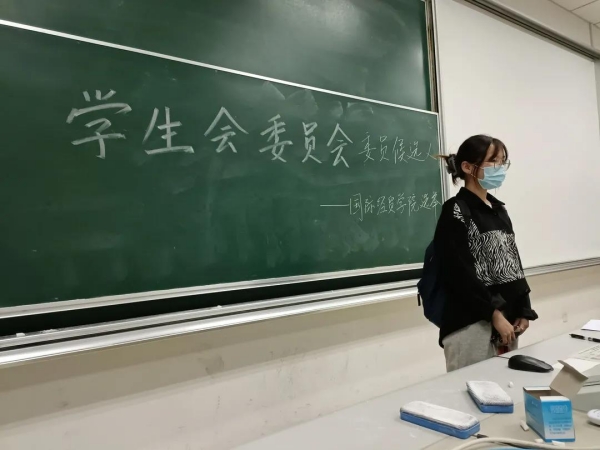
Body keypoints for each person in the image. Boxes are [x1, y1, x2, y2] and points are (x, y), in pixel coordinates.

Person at [435, 135, 537, 372]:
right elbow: (459, 273)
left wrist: (523, 309)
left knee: (505, 386)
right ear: (467, 167)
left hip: (506, 320)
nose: (499, 167)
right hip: (471, 323)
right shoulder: (456, 211)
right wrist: (493, 314)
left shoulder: (498, 209)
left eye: (502, 161)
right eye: (493, 161)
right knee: (472, 387)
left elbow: (512, 262)